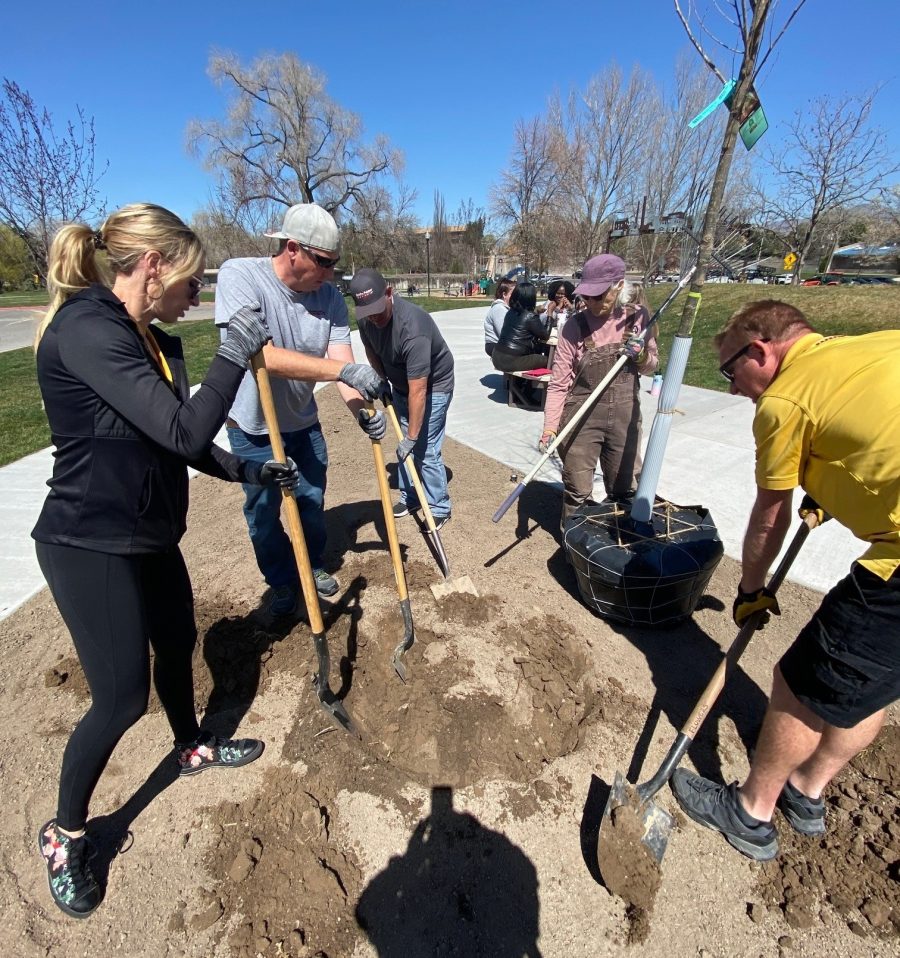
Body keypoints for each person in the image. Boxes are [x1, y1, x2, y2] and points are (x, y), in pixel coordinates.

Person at [32, 203, 287, 918]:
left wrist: (247, 471)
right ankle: (66, 832)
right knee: (119, 696)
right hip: (88, 541)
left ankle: (189, 747)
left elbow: (179, 437)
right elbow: (182, 425)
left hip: (147, 535)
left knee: (176, 647)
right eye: (193, 280)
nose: (197, 296)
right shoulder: (88, 330)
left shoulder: (151, 341)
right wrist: (234, 353)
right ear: (155, 266)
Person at [671, 300, 900, 862]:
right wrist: (827, 477)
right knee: (871, 684)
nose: (731, 390)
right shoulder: (873, 345)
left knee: (802, 684)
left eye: (731, 372)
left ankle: (750, 810)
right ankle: (807, 791)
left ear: (761, 350)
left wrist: (751, 590)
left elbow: (771, 512)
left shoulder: (783, 401)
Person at [215, 204, 389, 619]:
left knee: (311, 500)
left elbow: (342, 363)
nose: (331, 274)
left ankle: (310, 564)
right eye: (324, 263)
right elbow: (263, 356)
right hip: (253, 427)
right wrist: (341, 369)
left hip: (302, 420)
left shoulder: (329, 297)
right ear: (292, 248)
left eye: (335, 264)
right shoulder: (241, 276)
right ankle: (281, 582)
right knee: (263, 512)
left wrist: (362, 412)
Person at [539, 254, 658, 529]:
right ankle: (575, 549)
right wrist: (550, 428)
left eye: (598, 295)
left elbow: (652, 365)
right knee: (578, 491)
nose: (590, 303)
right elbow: (558, 384)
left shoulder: (638, 318)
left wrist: (640, 357)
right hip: (581, 419)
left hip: (624, 418)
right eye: (587, 296)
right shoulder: (574, 326)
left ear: (618, 286)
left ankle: (619, 550)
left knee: (624, 489)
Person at [350, 268, 454, 529]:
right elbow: (371, 350)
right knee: (403, 444)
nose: (373, 316)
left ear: (389, 293)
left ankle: (439, 505)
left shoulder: (413, 327)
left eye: (376, 308)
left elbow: (418, 391)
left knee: (424, 447)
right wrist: (381, 379)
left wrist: (412, 437)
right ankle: (411, 497)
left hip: (433, 385)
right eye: (367, 311)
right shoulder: (366, 318)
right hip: (399, 381)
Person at [490, 282, 552, 374]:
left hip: (497, 356)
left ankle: (519, 385)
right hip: (511, 361)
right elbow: (545, 335)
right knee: (549, 360)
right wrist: (550, 313)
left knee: (534, 355)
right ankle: (536, 386)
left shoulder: (510, 312)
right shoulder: (530, 316)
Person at [483, 277, 516, 357]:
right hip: (495, 346)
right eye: (513, 294)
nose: (516, 297)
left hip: (502, 345)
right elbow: (503, 333)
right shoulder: (499, 309)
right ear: (504, 294)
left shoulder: (506, 309)